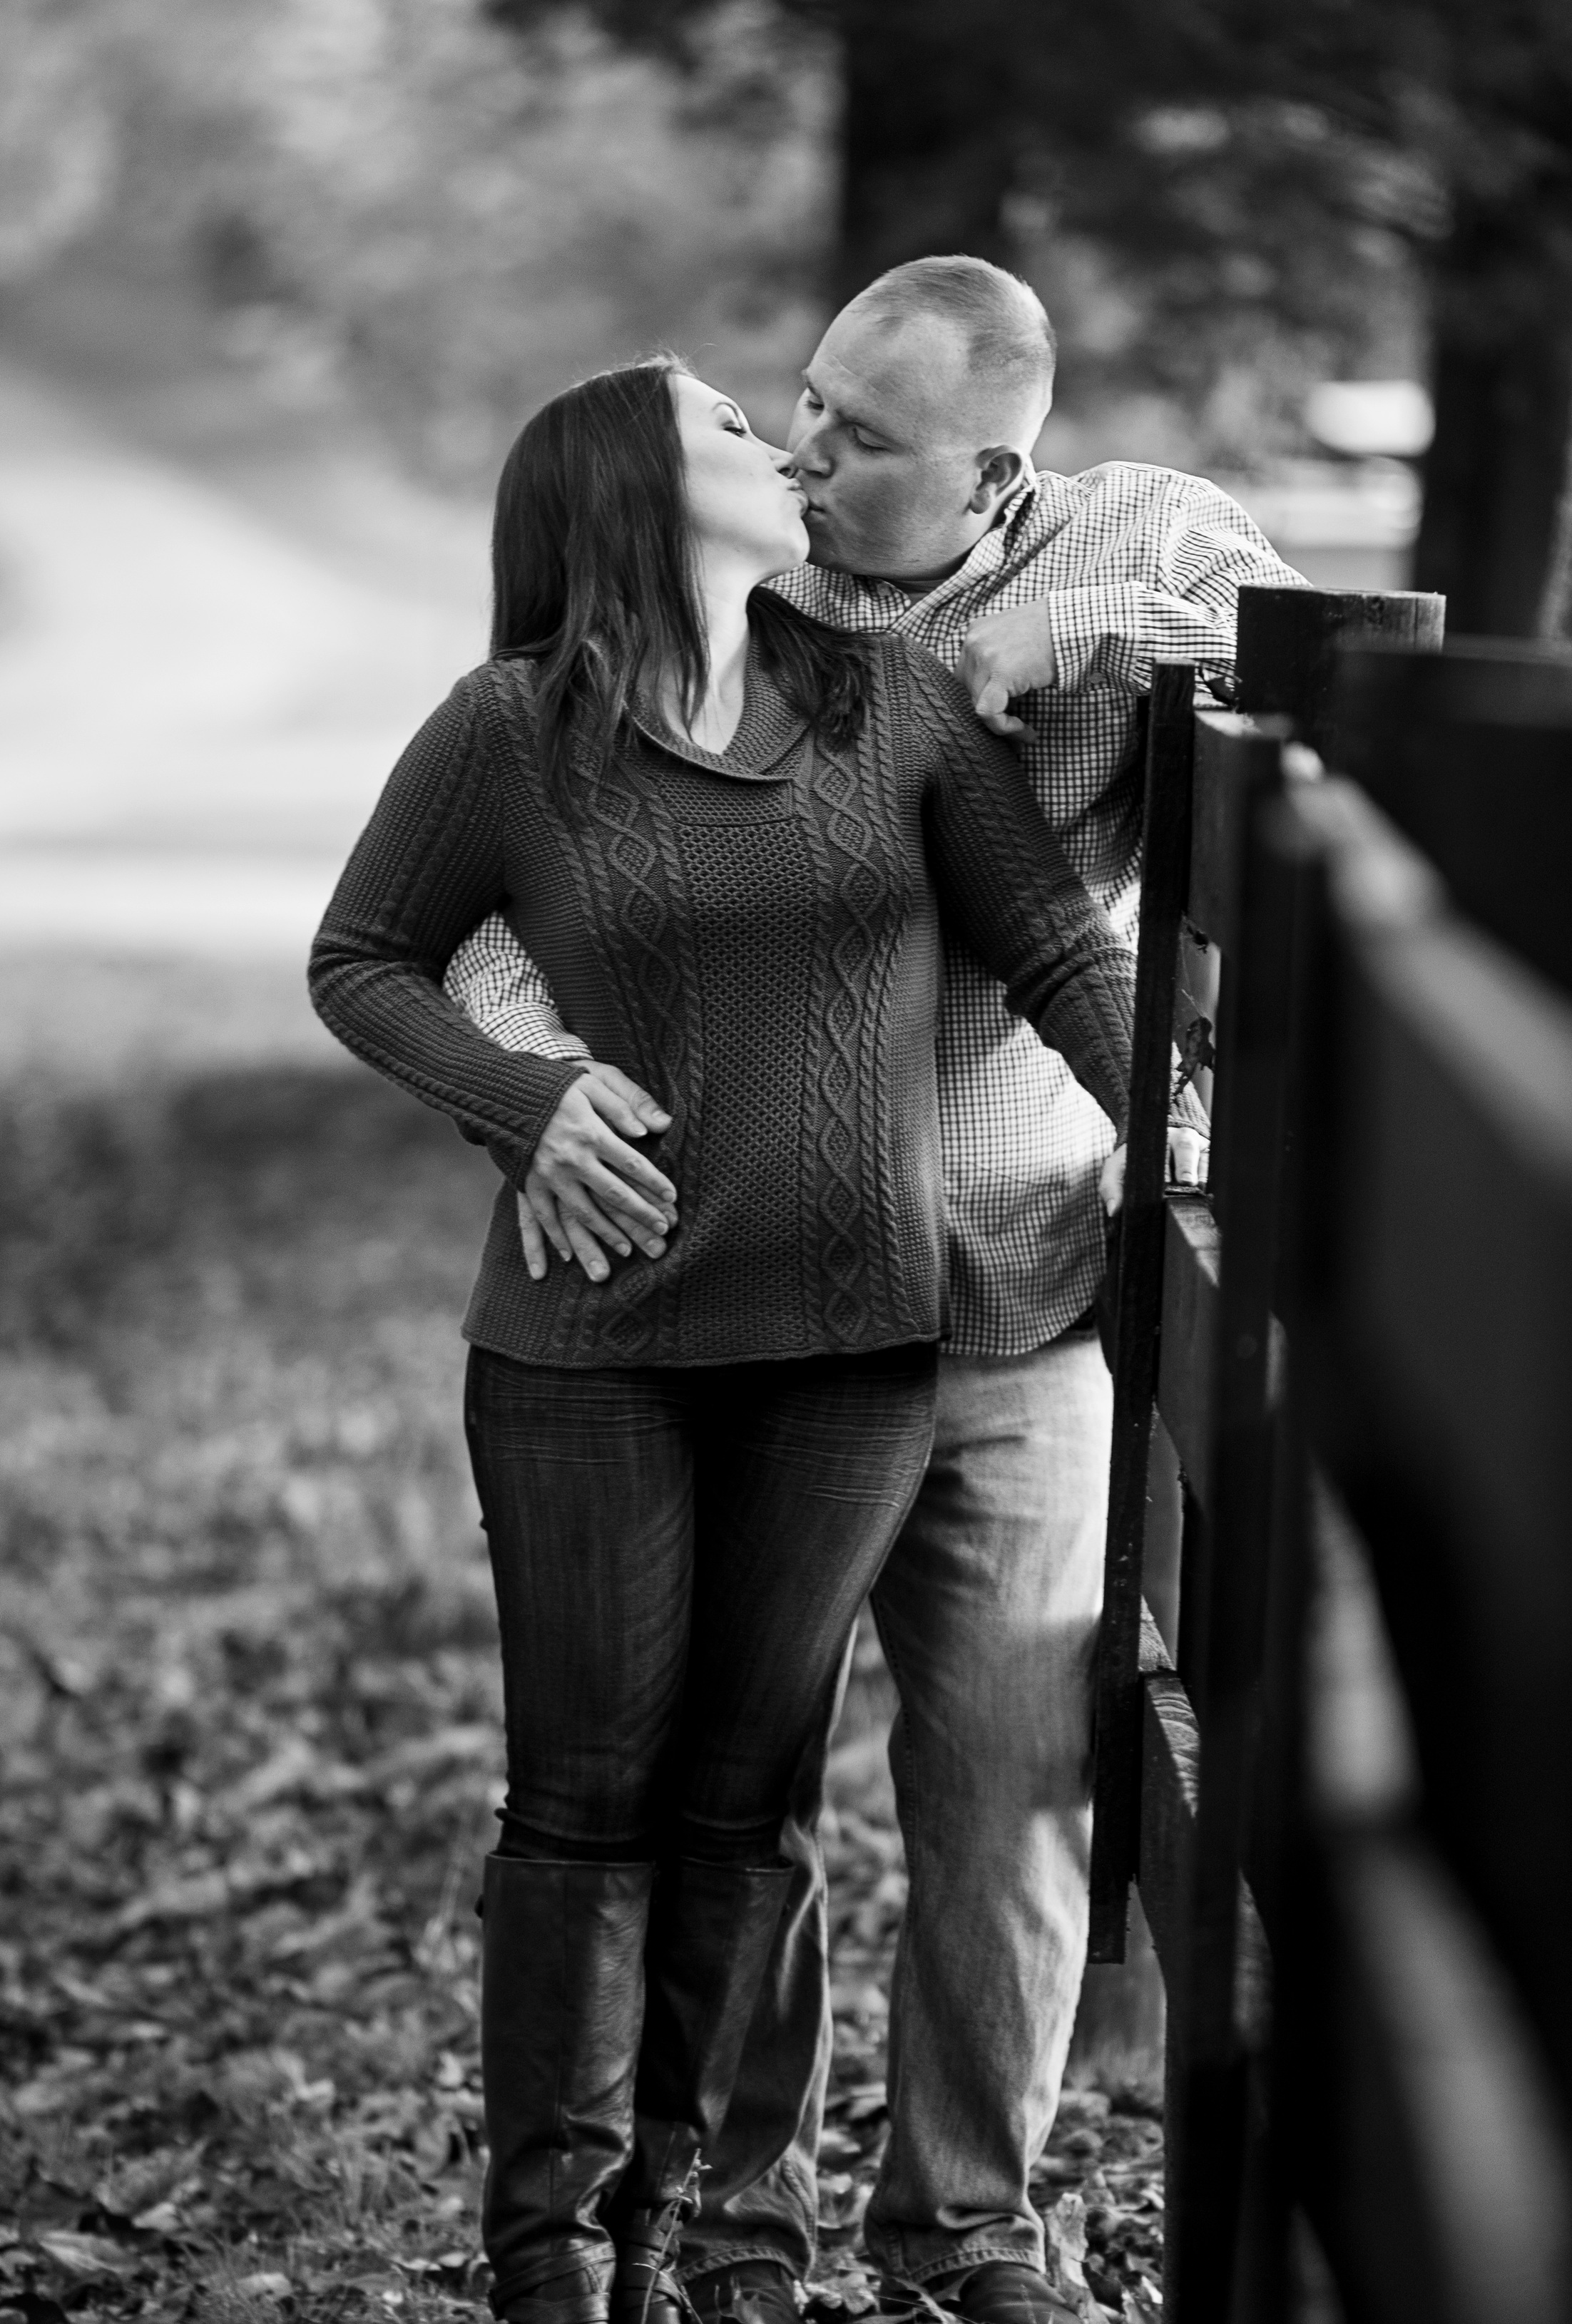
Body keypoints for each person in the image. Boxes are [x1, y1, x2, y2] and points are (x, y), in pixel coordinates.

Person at [447, 262, 1306, 2324]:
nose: (808, 454)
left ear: (995, 464)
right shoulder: (740, 591)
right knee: (739, 1778)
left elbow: (1285, 672)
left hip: (1013, 1308)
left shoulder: (1133, 538)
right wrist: (540, 1092)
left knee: (1006, 1787)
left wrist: (1029, 640)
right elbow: (497, 872)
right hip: (769, 1319)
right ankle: (740, 2221)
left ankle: (965, 2224)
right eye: (800, 412)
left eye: (861, 435)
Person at [307, 356, 1138, 2324]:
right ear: (628, 494)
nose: (776, 445)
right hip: (593, 1349)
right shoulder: (510, 732)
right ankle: (550, 2249)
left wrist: (1218, 1151)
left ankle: (704, 2228)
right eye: (725, 429)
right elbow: (359, 959)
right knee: (582, 1795)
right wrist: (522, 1101)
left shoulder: (890, 701)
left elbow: (1056, 950)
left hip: (852, 1352)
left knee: (747, 1802)